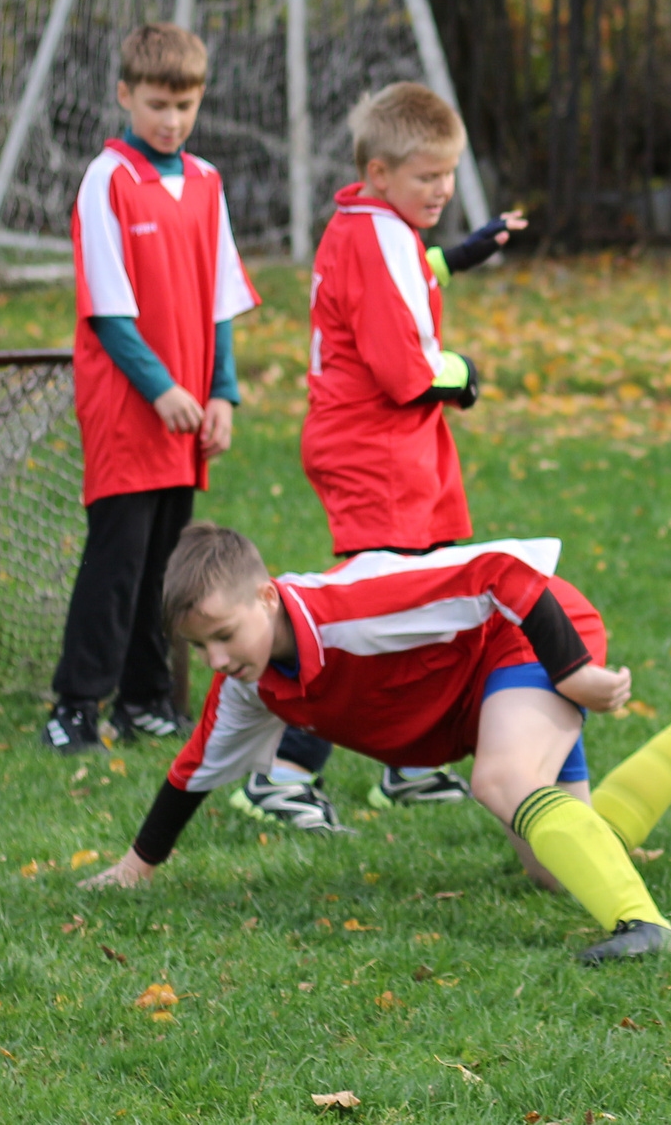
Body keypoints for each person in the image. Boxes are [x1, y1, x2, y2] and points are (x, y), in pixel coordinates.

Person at [81, 522, 671, 966]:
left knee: (500, 781)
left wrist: (574, 673)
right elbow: (192, 773)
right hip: (481, 691)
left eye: (224, 635)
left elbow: (502, 576)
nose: (214, 659)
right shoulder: (250, 684)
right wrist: (137, 868)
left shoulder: (354, 606)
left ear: (266, 597)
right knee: (562, 867)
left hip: (527, 632)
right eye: (199, 646)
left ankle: (653, 929)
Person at [234, 82, 525, 830]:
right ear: (380, 174)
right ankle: (283, 771)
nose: (443, 189)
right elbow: (405, 372)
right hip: (374, 449)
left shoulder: (369, 224)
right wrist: (463, 377)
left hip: (401, 449)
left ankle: (412, 763)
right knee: (369, 611)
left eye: (448, 173)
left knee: (426, 599)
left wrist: (464, 253)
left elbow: (409, 276)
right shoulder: (378, 235)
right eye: (427, 177)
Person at [43, 24, 258, 754]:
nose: (172, 120)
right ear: (125, 95)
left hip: (186, 412)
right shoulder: (109, 179)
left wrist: (220, 392)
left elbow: (220, 299)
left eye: (186, 105)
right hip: (129, 409)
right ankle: (76, 704)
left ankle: (147, 698)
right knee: (117, 560)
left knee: (168, 567)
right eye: (159, 104)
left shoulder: (206, 182)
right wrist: (162, 386)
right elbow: (105, 308)